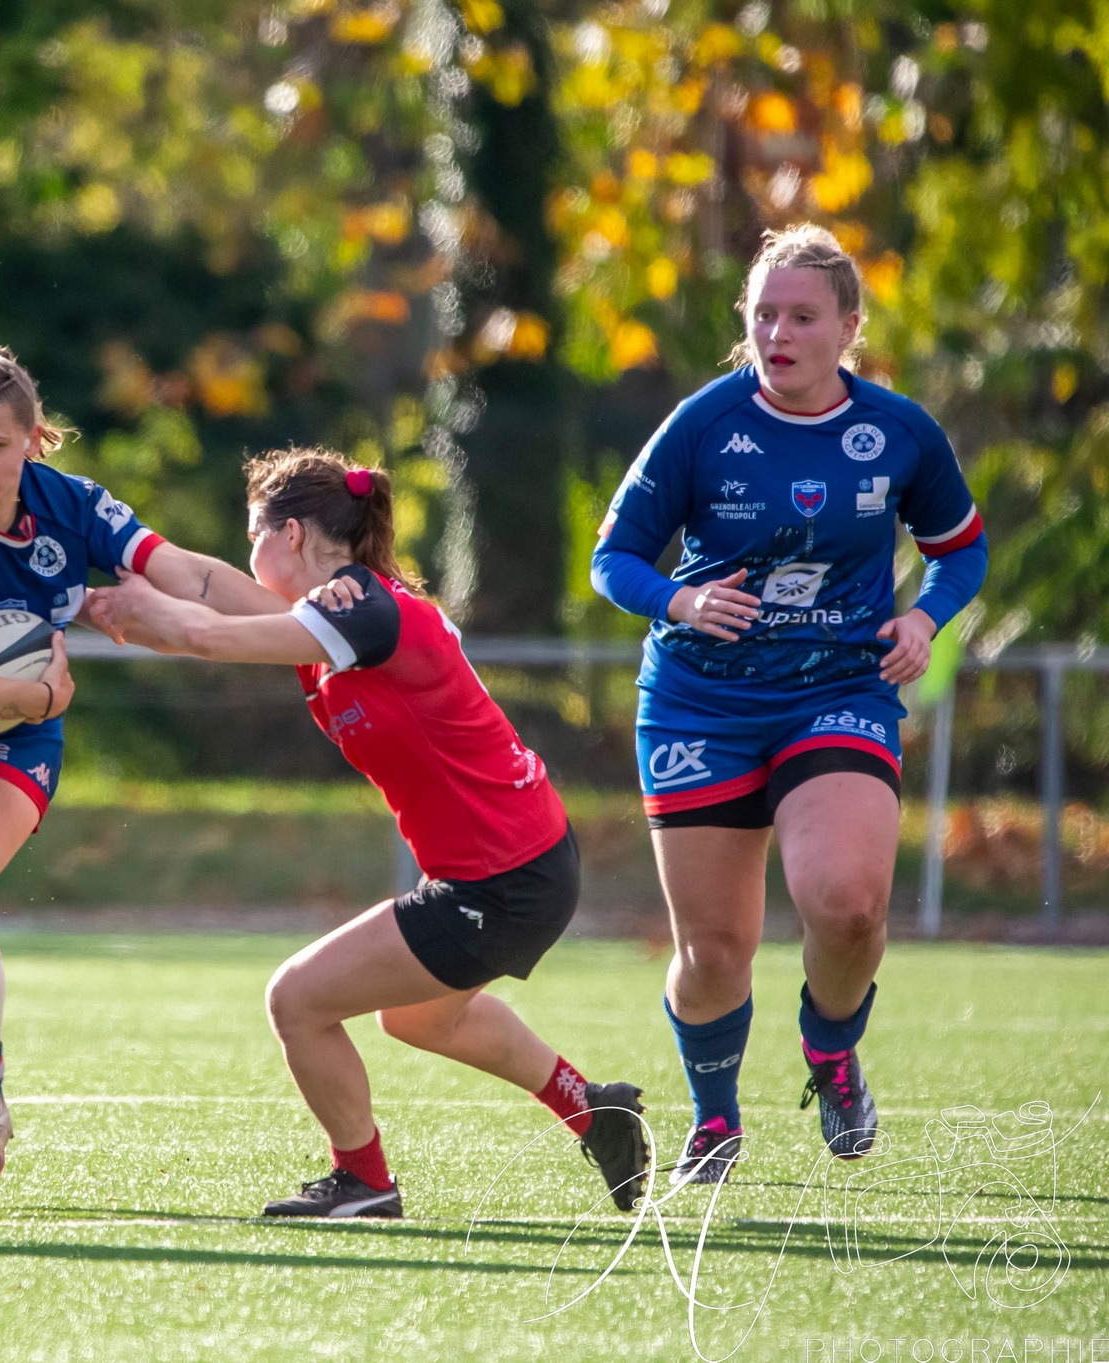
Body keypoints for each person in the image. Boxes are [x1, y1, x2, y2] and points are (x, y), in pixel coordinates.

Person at [86, 447, 651, 1218]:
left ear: (289, 536)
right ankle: (593, 1109)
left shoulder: (360, 606)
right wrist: (114, 548)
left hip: (504, 875)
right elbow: (208, 589)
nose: (247, 555)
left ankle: (364, 1180)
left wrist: (143, 616)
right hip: (514, 865)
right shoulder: (334, 613)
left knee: (297, 999)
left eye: (253, 535)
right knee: (417, 1014)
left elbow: (211, 633)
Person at [591, 225, 987, 1185]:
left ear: (848, 326)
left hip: (838, 692)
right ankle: (715, 1121)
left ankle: (831, 1051)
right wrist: (680, 598)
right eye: (764, 313)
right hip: (699, 702)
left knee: (847, 905)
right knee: (715, 946)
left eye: (802, 315)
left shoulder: (897, 431)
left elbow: (961, 546)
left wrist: (928, 618)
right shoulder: (701, 423)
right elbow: (615, 559)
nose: (779, 331)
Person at [0, 346, 280, 1210]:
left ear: (35, 443)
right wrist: (35, 689)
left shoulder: (72, 506)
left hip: (12, 742)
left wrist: (321, 624)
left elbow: (187, 573)